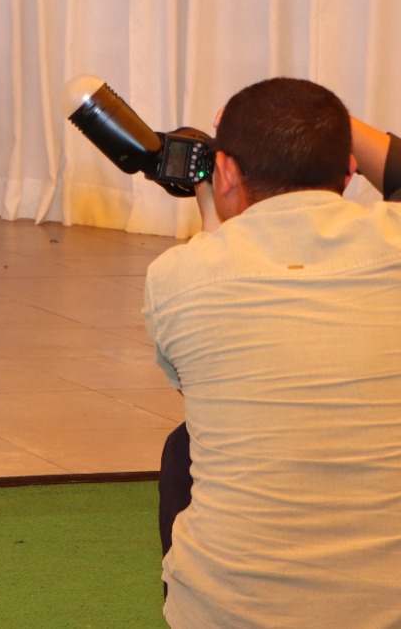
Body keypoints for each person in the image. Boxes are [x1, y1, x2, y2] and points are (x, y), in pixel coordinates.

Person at [145, 78, 401, 625]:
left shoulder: (175, 277)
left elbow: (208, 391)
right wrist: (340, 131)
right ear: (350, 170)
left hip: (228, 616)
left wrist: (215, 213)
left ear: (226, 172)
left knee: (186, 444)